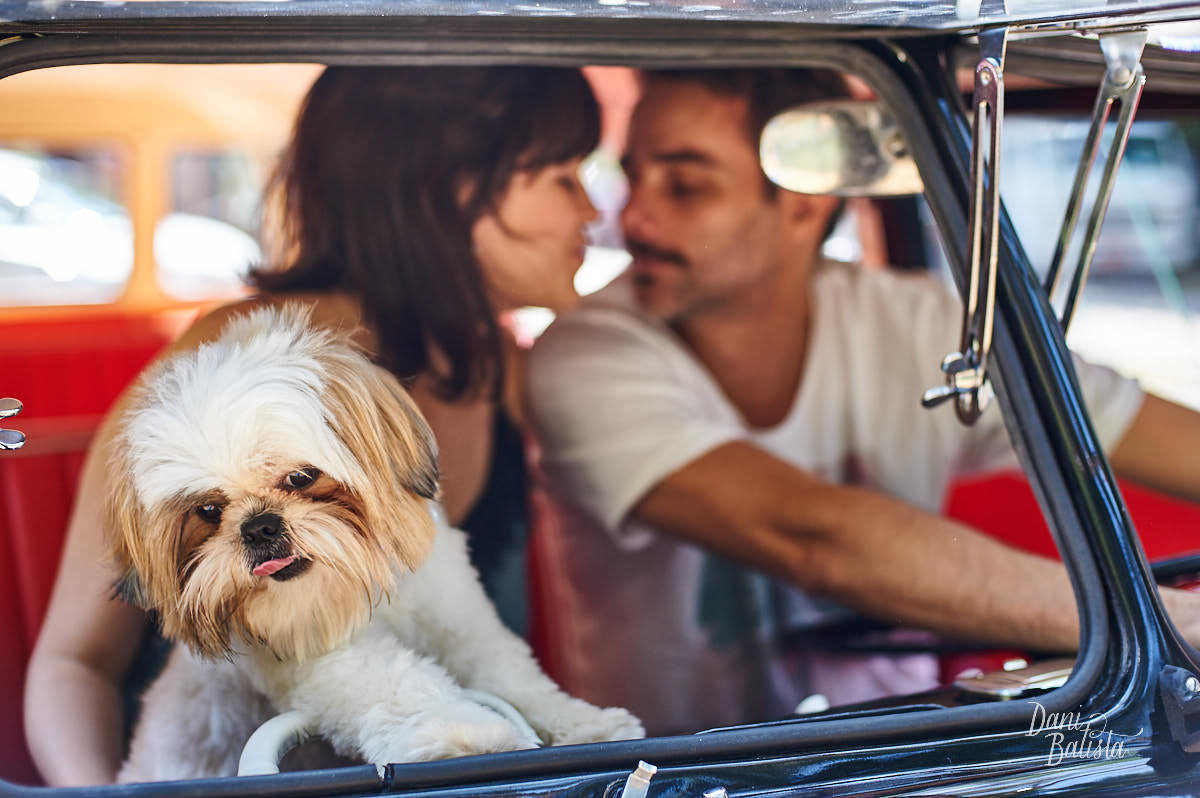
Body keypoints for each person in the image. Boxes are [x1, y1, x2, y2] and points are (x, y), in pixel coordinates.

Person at [527, 67, 1200, 735]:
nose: (633, 218)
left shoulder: (917, 325)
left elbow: (1143, 433)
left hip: (912, 758)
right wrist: (1170, 621)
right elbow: (813, 536)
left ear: (803, 203)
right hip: (667, 774)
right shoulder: (586, 355)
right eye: (632, 177)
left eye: (685, 185)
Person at [24, 65, 600, 786]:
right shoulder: (221, 363)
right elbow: (73, 664)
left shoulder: (493, 365)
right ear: (447, 188)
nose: (592, 210)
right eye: (561, 176)